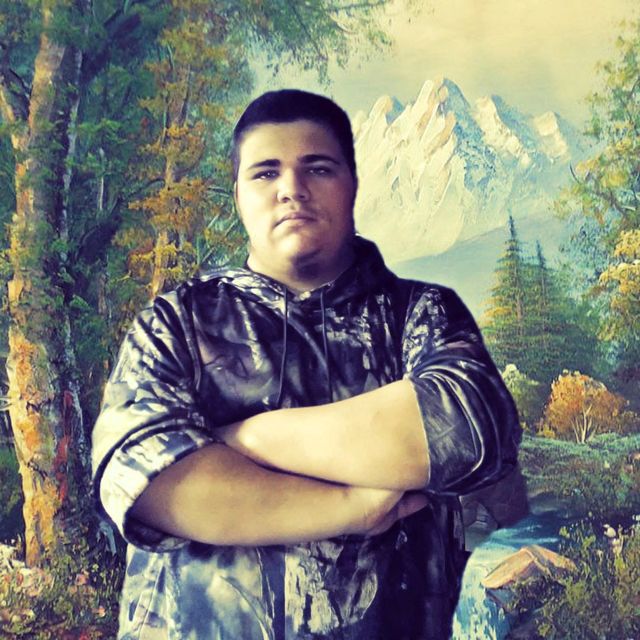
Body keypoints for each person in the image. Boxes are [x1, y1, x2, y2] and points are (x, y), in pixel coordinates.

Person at [92, 89, 521, 640]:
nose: (291, 188)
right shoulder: (175, 323)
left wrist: (244, 439)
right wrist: (351, 506)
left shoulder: (422, 313)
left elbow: (465, 429)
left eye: (317, 168)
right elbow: (148, 483)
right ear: (238, 195)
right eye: (265, 172)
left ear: (353, 183)